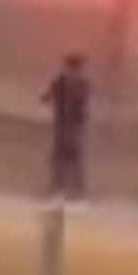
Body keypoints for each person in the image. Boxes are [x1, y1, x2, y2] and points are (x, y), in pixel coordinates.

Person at [42, 53, 91, 199]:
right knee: (67, 157)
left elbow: (45, 98)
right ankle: (68, 188)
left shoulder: (63, 81)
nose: (73, 72)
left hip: (68, 125)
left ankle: (65, 188)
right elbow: (46, 97)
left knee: (66, 157)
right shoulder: (77, 83)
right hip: (68, 125)